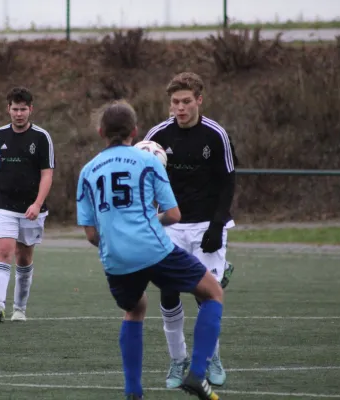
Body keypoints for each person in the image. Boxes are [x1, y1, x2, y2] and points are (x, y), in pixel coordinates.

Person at [76, 100, 223, 400]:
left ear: (101, 131)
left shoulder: (87, 171)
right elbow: (173, 214)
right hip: (152, 248)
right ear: (135, 131)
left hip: (115, 258)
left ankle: (133, 391)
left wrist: (117, 237)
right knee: (213, 292)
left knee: (135, 309)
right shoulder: (149, 161)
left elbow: (91, 234)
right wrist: (147, 220)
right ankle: (197, 373)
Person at [143, 72, 238, 388]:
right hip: (170, 225)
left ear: (199, 100)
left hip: (206, 225)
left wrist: (217, 223)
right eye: (175, 102)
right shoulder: (156, 137)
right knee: (169, 293)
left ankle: (212, 358)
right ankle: (177, 361)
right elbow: (144, 182)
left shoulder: (216, 135)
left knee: (205, 294)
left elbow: (227, 182)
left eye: (186, 101)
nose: (180, 108)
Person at [0, 87, 55, 323]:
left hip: (31, 208)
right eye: (15, 109)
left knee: (24, 257)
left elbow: (47, 174)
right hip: (4, 204)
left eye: (23, 109)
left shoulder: (41, 137)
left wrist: (37, 204)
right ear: (8, 109)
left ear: (30, 109)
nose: (18, 114)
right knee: (4, 251)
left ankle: (20, 308)